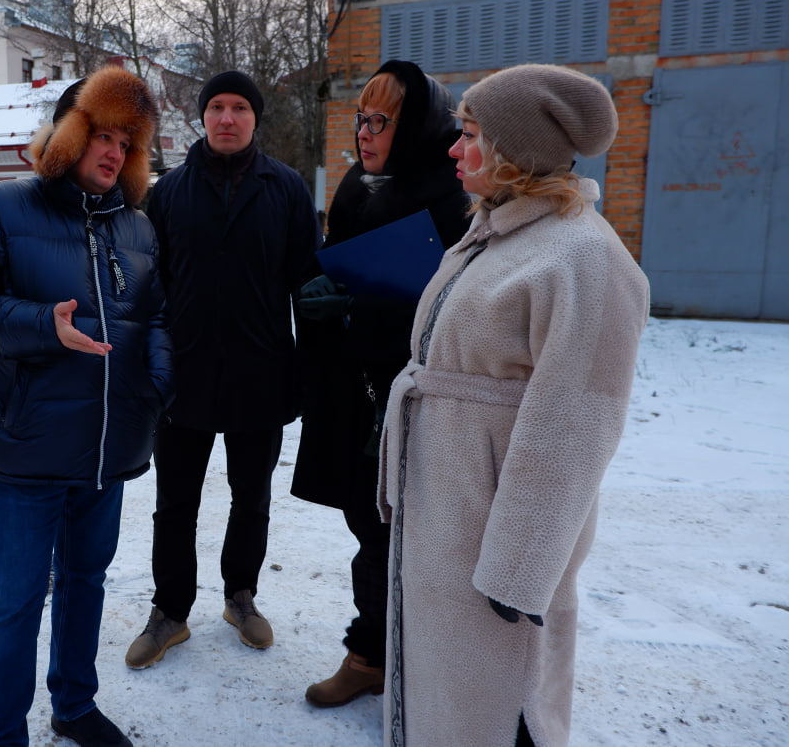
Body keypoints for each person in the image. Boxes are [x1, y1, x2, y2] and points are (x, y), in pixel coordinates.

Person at [377, 64, 650, 746]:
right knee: (438, 694)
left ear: (513, 147)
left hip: (491, 541)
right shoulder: (494, 233)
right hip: (444, 517)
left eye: (468, 134)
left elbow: (576, 426)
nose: (452, 148)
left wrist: (520, 569)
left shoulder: (584, 258)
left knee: (497, 708)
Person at [0, 65, 172, 747]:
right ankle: (2, 734)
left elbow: (156, 320)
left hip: (107, 450)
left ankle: (74, 704)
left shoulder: (137, 228)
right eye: (101, 135)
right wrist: (45, 326)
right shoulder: (0, 206)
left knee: (86, 585)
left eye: (127, 142)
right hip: (28, 448)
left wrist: (156, 390)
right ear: (71, 135)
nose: (113, 153)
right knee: (14, 604)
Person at [125, 70, 320, 668]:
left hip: (261, 374)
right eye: (217, 108)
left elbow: (308, 288)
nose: (227, 118)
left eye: (239, 108)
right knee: (174, 503)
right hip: (183, 377)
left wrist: (309, 374)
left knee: (251, 497)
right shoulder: (168, 193)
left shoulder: (286, 190)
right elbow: (147, 288)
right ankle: (170, 612)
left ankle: (241, 596)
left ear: (255, 119)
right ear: (202, 118)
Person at [291, 60, 471, 707]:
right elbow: (336, 264)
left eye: (381, 120)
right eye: (361, 119)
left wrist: (353, 309)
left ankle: (412, 665)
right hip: (353, 395)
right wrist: (311, 295)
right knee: (367, 527)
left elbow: (447, 311)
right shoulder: (354, 188)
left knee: (413, 541)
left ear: (416, 125)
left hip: (413, 405)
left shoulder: (451, 199)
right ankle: (371, 654)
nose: (365, 133)